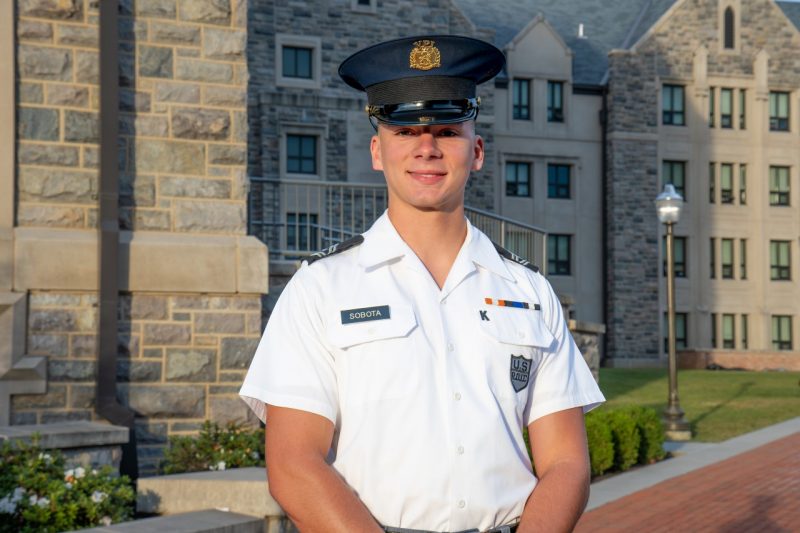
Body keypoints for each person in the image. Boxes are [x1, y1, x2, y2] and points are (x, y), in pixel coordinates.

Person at [240, 35, 605, 533]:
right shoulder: (321, 288)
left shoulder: (529, 290)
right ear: (377, 150)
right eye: (406, 130)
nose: (427, 148)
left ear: (476, 152)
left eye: (447, 131)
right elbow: (293, 464)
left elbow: (566, 462)